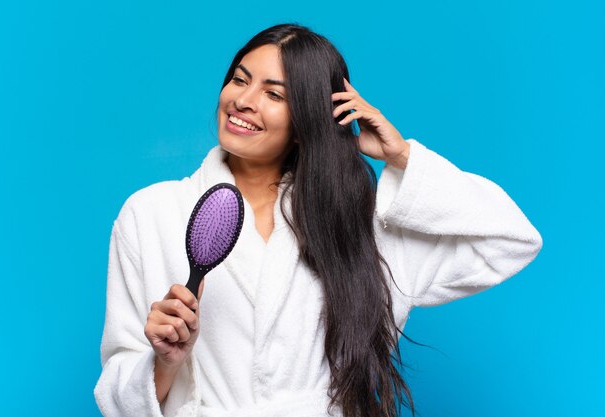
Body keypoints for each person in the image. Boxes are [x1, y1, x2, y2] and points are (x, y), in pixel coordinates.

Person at [93, 23, 543, 417]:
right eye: (238, 80)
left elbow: (511, 240)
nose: (243, 101)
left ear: (307, 117)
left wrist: (401, 156)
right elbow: (116, 394)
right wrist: (165, 362)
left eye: (274, 94)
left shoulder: (358, 225)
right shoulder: (150, 213)